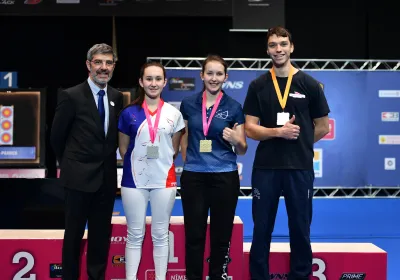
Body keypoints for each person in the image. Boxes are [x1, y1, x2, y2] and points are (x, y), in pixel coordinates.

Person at [243, 26, 331, 280]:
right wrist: (278, 133)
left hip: (299, 168)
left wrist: (299, 141)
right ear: (267, 49)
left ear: (292, 47)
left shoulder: (310, 84)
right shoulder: (258, 85)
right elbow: (249, 128)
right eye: (273, 45)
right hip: (266, 168)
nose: (278, 49)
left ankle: (300, 276)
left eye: (283, 44)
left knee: (300, 228)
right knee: (261, 229)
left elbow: (323, 127)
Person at [50, 43, 123, 280]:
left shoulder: (116, 97)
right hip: (78, 181)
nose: (104, 68)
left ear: (113, 66)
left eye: (108, 63)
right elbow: (56, 138)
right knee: (73, 236)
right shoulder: (70, 96)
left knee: (100, 238)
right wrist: (72, 165)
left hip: (106, 180)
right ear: (88, 65)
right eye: (98, 62)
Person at [179, 54, 248, 280]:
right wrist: (188, 162)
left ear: (226, 77)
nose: (214, 78)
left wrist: (235, 139)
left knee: (221, 236)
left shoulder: (234, 107)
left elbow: (243, 148)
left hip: (224, 177)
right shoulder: (188, 104)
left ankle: (217, 276)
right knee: (195, 235)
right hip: (195, 177)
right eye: (209, 73)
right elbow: (185, 137)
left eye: (219, 74)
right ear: (201, 75)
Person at [118, 62, 185, 280]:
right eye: (149, 79)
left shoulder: (174, 114)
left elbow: (174, 150)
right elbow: (124, 148)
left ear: (165, 82)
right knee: (134, 235)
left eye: (158, 79)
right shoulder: (128, 113)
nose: (153, 83)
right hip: (133, 181)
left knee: (160, 235)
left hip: (164, 181)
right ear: (141, 82)